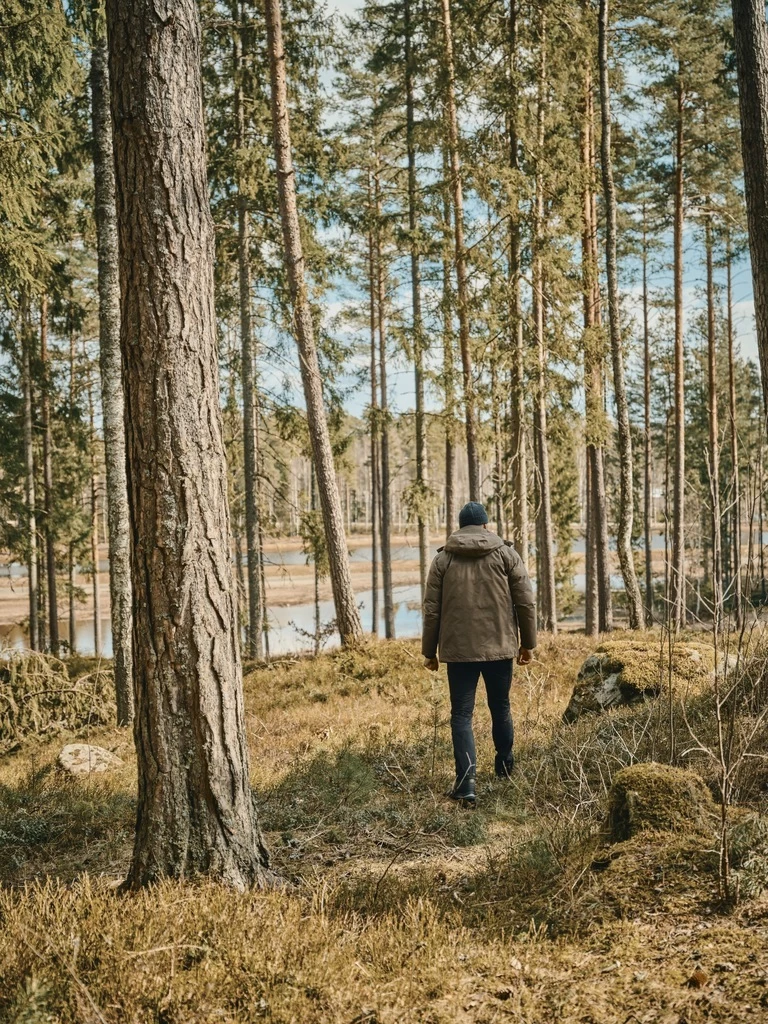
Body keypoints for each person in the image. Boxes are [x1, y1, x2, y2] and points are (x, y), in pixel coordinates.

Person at [422, 501, 537, 808]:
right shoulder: (507, 554)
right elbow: (525, 602)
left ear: (461, 527)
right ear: (486, 525)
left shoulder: (443, 559)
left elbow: (431, 609)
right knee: (500, 706)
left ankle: (466, 784)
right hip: (500, 647)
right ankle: (505, 767)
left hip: (459, 652)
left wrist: (429, 651)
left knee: (461, 715)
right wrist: (528, 644)